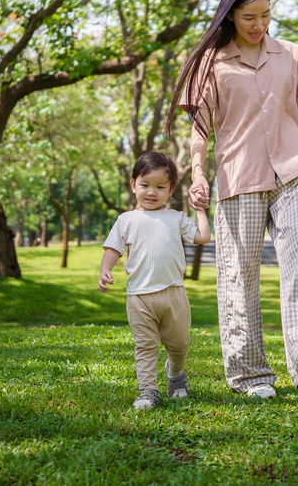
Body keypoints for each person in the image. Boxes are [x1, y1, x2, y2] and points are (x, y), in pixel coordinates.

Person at [166, 0, 298, 399]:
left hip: (292, 168)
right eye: (249, 16)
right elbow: (201, 128)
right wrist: (199, 172)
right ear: (230, 15)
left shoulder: (289, 54)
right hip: (239, 175)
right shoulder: (210, 62)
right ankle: (250, 375)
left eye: (266, 14)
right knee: (238, 275)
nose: (259, 24)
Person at [98, 152, 211, 411]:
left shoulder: (175, 218)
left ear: (170, 190)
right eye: (145, 185)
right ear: (133, 184)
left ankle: (176, 375)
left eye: (160, 187)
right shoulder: (126, 220)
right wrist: (105, 269)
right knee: (146, 346)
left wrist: (200, 210)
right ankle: (148, 390)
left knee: (179, 343)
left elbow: (203, 236)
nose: (152, 192)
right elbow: (113, 248)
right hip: (139, 297)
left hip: (174, 293)